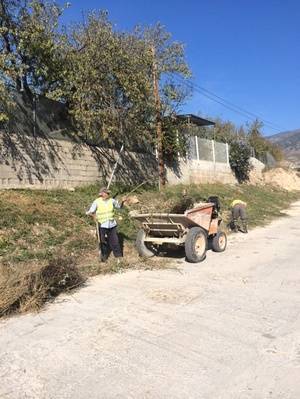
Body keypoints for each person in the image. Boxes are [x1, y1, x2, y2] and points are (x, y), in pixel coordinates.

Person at [86, 187, 126, 262]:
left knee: (115, 241)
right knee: (102, 241)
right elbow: (89, 212)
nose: (108, 194)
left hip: (112, 224)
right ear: (102, 194)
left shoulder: (112, 201)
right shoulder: (97, 202)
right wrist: (94, 216)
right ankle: (104, 257)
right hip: (102, 225)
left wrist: (122, 202)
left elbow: (119, 207)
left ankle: (118, 257)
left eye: (108, 193)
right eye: (106, 193)